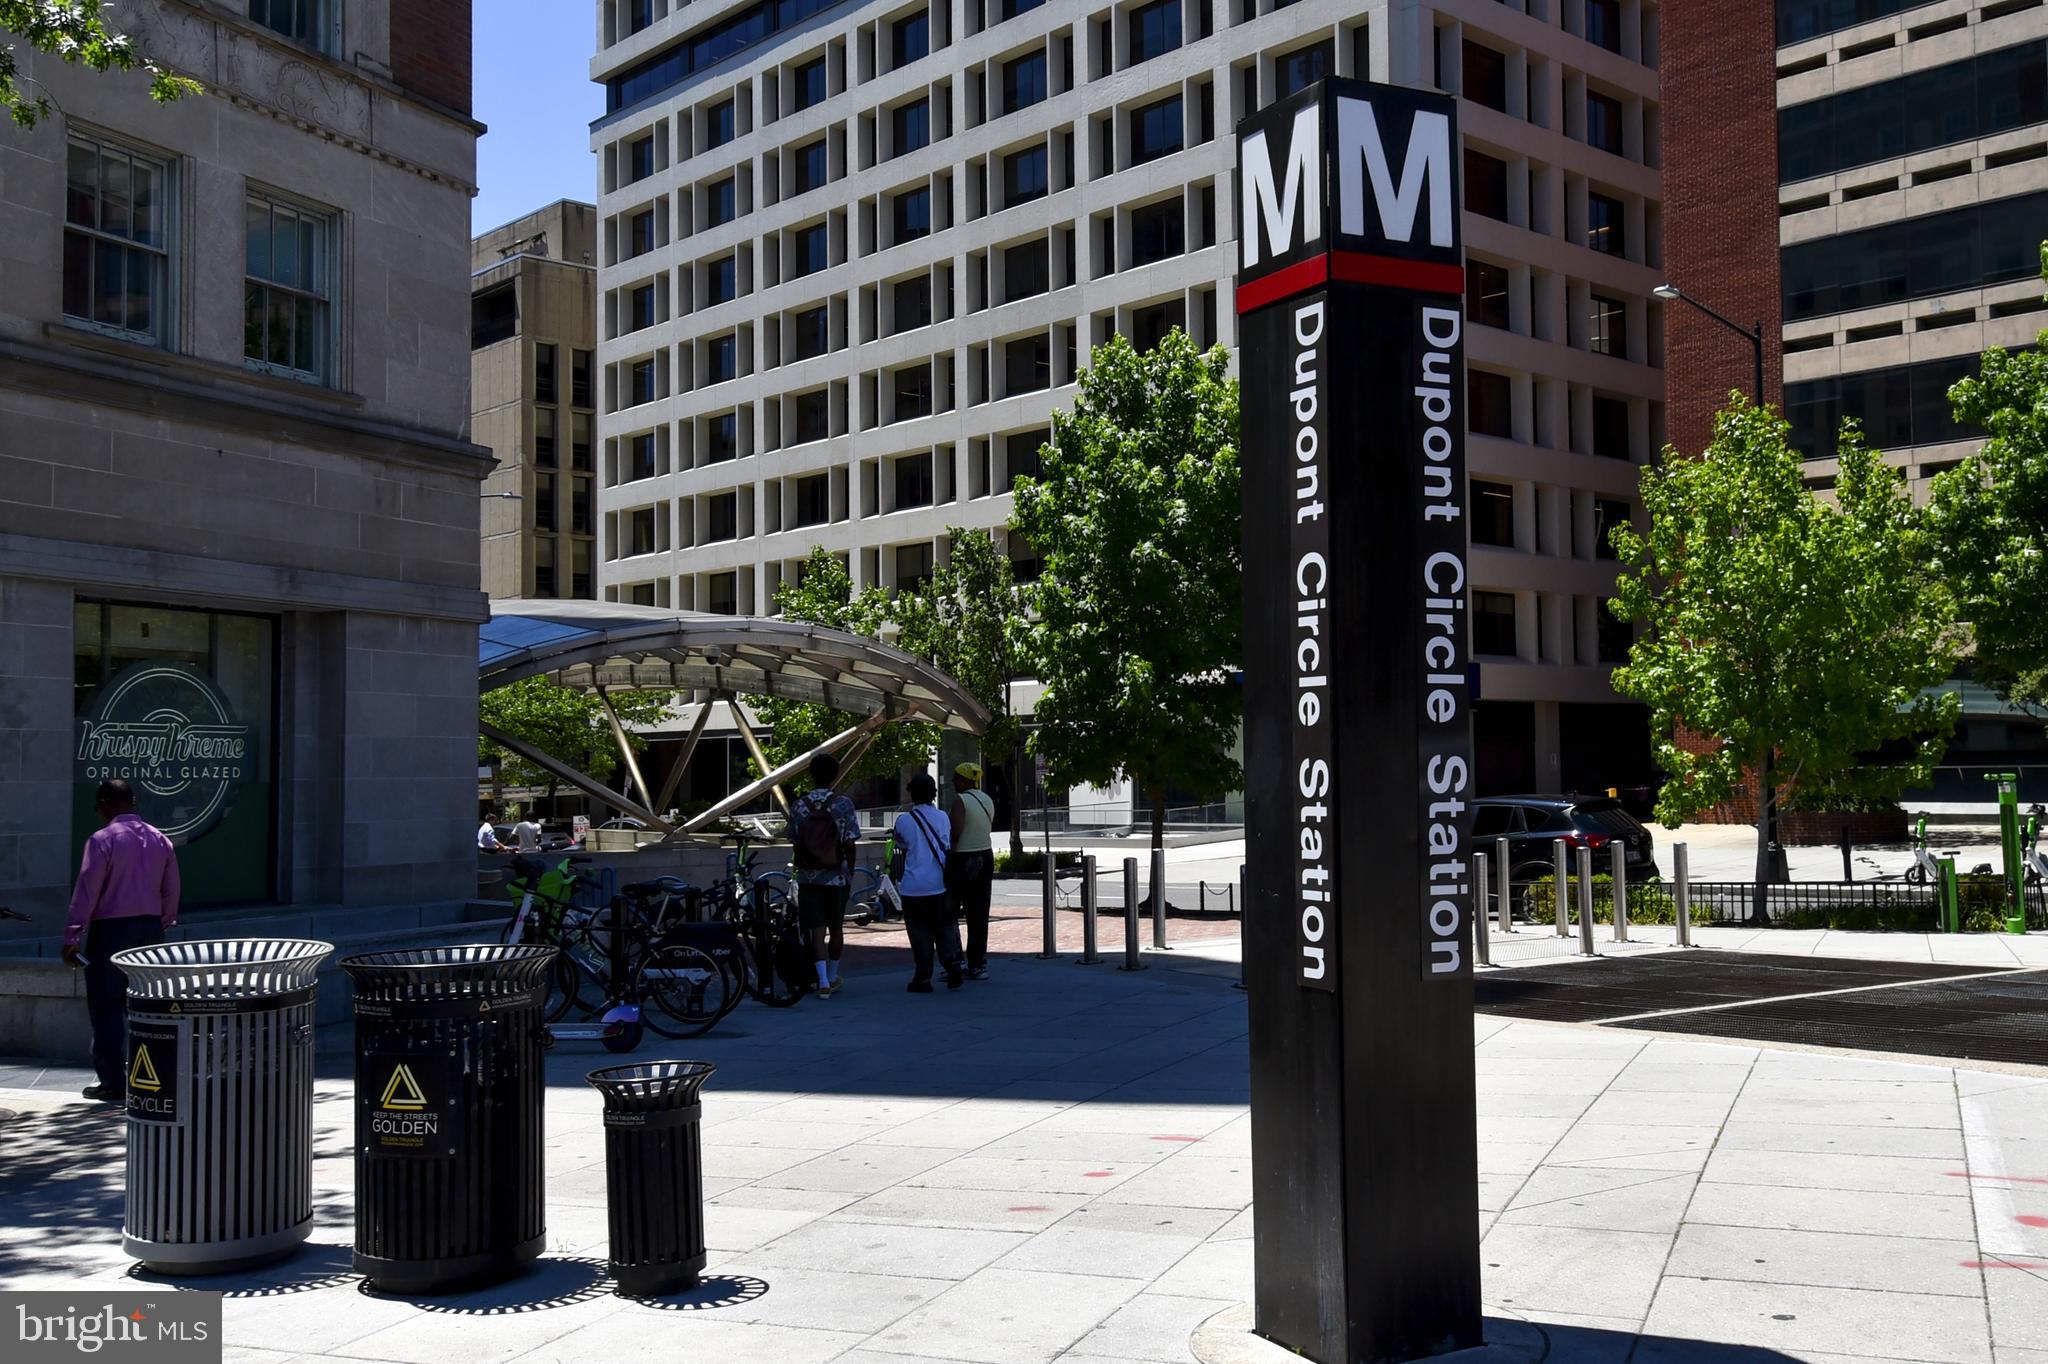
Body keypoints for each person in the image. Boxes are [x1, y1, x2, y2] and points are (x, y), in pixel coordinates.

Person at [62, 779, 180, 1104]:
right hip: (151, 930)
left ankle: (113, 1080)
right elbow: (172, 889)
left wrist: (72, 936)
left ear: (105, 803)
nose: (98, 812)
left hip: (111, 931)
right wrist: (163, 922)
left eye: (98, 806)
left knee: (106, 1005)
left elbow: (87, 890)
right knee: (143, 1005)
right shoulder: (160, 839)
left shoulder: (102, 840)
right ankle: (151, 1075)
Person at [789, 753, 860, 997]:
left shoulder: (799, 805)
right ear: (835, 775)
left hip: (808, 877)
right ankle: (833, 974)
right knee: (836, 927)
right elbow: (850, 842)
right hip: (836, 875)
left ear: (811, 774)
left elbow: (795, 840)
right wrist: (848, 871)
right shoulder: (843, 804)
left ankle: (822, 983)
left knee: (816, 929)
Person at [895, 772, 962, 992]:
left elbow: (900, 843)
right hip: (940, 883)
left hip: (913, 887)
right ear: (934, 793)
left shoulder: (904, 820)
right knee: (944, 927)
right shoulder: (943, 817)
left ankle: (922, 977)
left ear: (912, 794)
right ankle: (952, 965)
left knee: (919, 932)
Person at [948, 762, 998, 980]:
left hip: (964, 858)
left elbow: (955, 833)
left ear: (963, 780)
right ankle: (978, 964)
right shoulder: (986, 799)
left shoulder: (961, 801)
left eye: (956, 778)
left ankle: (955, 961)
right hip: (985, 856)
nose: (953, 783)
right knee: (979, 915)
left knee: (950, 912)